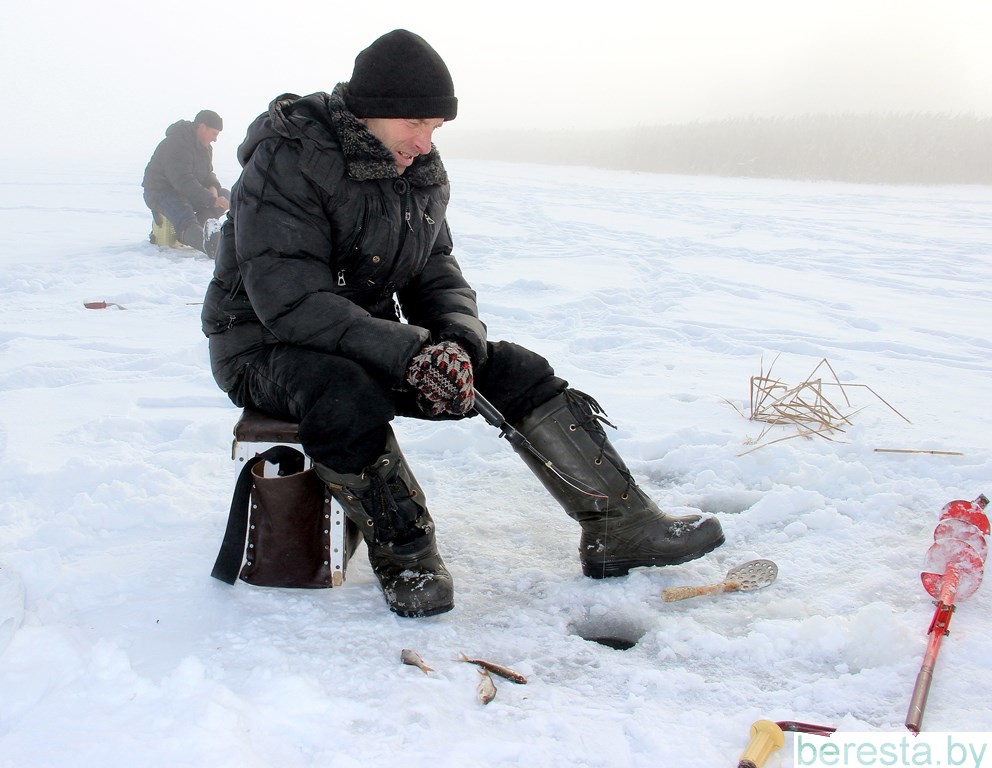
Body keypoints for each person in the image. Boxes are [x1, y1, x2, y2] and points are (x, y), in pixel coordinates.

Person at [201, 29, 724, 618]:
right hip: (262, 345)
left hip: (368, 339)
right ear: (374, 111)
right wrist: (408, 352)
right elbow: (291, 301)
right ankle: (407, 556)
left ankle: (620, 526)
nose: (424, 144)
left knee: (515, 370)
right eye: (415, 125)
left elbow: (436, 273)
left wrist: (454, 341)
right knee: (345, 394)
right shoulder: (288, 160)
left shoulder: (416, 169)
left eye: (436, 129)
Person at [142, 109, 230, 257]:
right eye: (214, 133)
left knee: (226, 196)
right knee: (185, 214)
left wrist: (213, 188)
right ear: (202, 127)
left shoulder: (206, 148)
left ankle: (200, 231)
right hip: (160, 191)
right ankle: (210, 245)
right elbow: (182, 181)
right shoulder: (177, 143)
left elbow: (208, 174)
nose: (215, 139)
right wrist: (211, 200)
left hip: (184, 192)